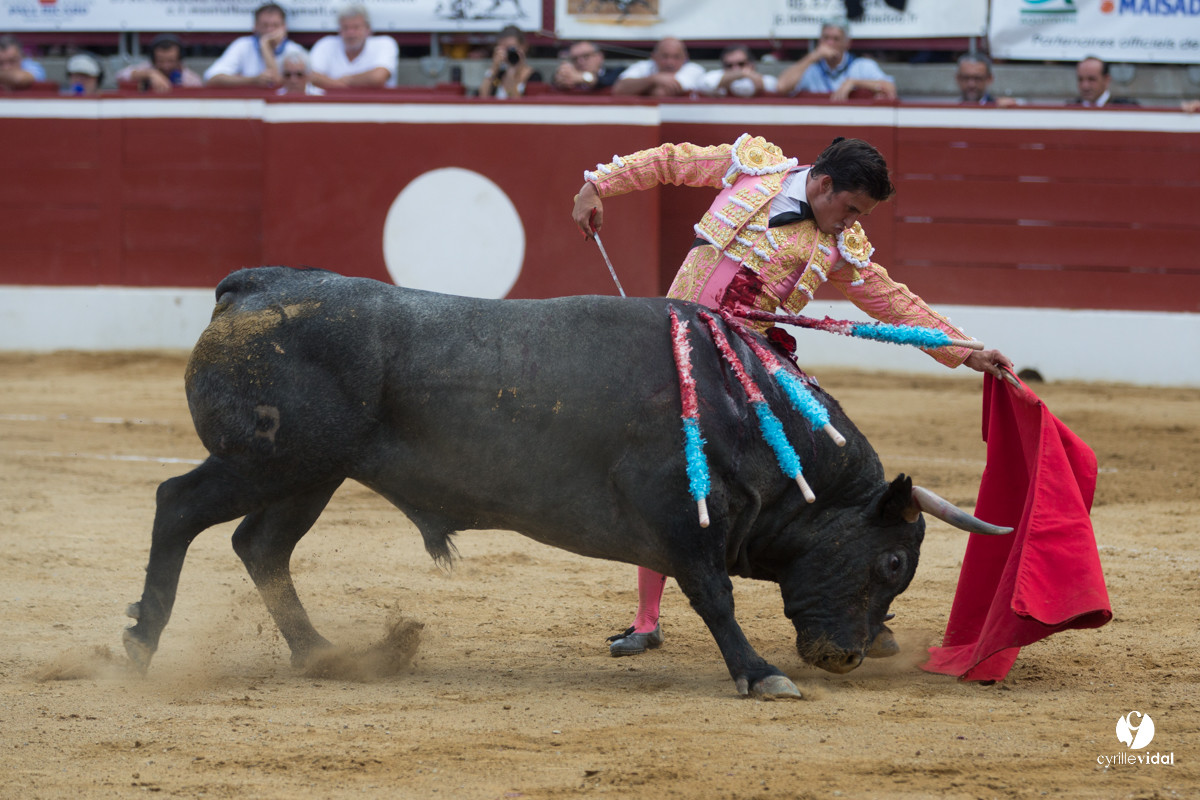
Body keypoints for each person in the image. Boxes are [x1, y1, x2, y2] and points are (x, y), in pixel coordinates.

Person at [570, 134, 1012, 656]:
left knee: (819, 448)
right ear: (824, 184)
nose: (851, 224)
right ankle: (646, 621)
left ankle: (859, 596)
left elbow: (894, 303)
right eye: (849, 209)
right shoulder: (752, 169)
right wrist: (597, 184)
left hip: (747, 362)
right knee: (672, 470)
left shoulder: (838, 249)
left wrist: (964, 350)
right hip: (677, 348)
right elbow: (669, 162)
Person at [777, 20, 895, 102]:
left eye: (836, 39)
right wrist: (812, 56)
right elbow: (782, 87)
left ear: (847, 43)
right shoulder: (810, 68)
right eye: (826, 38)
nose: (830, 44)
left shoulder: (862, 66)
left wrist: (855, 82)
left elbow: (890, 89)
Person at [204, 3, 307, 89]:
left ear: (284, 27)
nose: (270, 30)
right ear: (255, 26)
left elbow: (276, 85)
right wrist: (252, 80)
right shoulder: (242, 45)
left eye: (275, 25)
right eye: (265, 25)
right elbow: (212, 79)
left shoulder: (294, 50)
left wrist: (265, 46)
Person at [309, 3, 398, 90]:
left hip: (375, 104)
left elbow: (378, 78)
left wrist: (343, 80)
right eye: (345, 28)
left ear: (368, 29)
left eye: (356, 27)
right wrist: (345, 86)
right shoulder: (326, 44)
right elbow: (311, 76)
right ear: (339, 30)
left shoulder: (385, 43)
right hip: (330, 104)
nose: (350, 33)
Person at [612, 36, 705, 97]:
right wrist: (652, 79)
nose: (670, 62)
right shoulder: (643, 66)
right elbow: (619, 89)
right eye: (665, 56)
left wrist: (640, 86)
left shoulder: (694, 70)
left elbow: (661, 93)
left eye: (676, 57)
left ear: (685, 58)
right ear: (654, 57)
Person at [115, 34, 203, 93]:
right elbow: (120, 75)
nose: (166, 66)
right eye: (161, 61)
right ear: (153, 59)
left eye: (171, 61)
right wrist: (151, 74)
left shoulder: (191, 79)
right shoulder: (147, 68)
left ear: (180, 59)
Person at [478, 25, 542, 98]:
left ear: (524, 47)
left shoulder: (534, 77)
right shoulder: (498, 76)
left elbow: (515, 102)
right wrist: (494, 67)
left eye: (511, 48)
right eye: (504, 49)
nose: (508, 53)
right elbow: (482, 96)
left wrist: (511, 72)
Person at [699, 44, 777, 98]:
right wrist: (743, 73)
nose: (735, 69)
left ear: (752, 64)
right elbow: (707, 83)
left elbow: (772, 85)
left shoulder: (767, 79)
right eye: (729, 65)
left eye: (741, 64)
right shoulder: (716, 75)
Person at [1069, 57, 1140, 108]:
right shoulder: (1069, 109)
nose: (1085, 86)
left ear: (1106, 80)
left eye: (1091, 79)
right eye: (1080, 79)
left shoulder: (1126, 108)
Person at [552, 40, 619, 92]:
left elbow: (606, 81)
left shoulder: (616, 74)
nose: (580, 62)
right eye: (575, 59)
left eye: (586, 56)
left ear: (600, 56)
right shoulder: (569, 79)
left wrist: (583, 78)